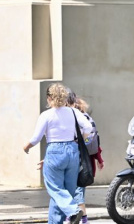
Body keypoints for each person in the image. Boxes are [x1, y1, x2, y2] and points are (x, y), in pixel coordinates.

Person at [23, 83, 92, 224]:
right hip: (72, 151)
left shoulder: (46, 115)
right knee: (66, 191)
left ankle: (73, 210)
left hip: (55, 152)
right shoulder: (73, 112)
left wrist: (27, 146)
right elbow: (88, 127)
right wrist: (82, 140)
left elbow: (36, 138)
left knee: (55, 188)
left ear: (49, 98)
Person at [68, 94, 104, 224]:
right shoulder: (88, 118)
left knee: (76, 189)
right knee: (79, 189)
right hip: (87, 161)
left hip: (76, 158)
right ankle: (82, 218)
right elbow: (95, 143)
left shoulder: (75, 119)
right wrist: (99, 159)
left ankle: (81, 218)